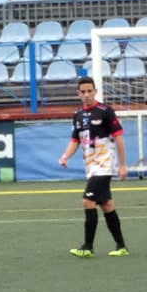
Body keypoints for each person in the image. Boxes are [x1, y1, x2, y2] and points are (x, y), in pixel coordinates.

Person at [57, 77, 129, 258]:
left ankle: (87, 247)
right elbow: (75, 140)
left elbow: (119, 138)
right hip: (91, 167)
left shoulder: (105, 111)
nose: (87, 94)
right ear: (78, 94)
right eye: (83, 92)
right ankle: (121, 246)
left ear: (95, 91)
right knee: (106, 205)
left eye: (90, 91)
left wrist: (122, 165)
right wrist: (65, 156)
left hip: (105, 166)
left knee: (88, 201)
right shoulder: (78, 115)